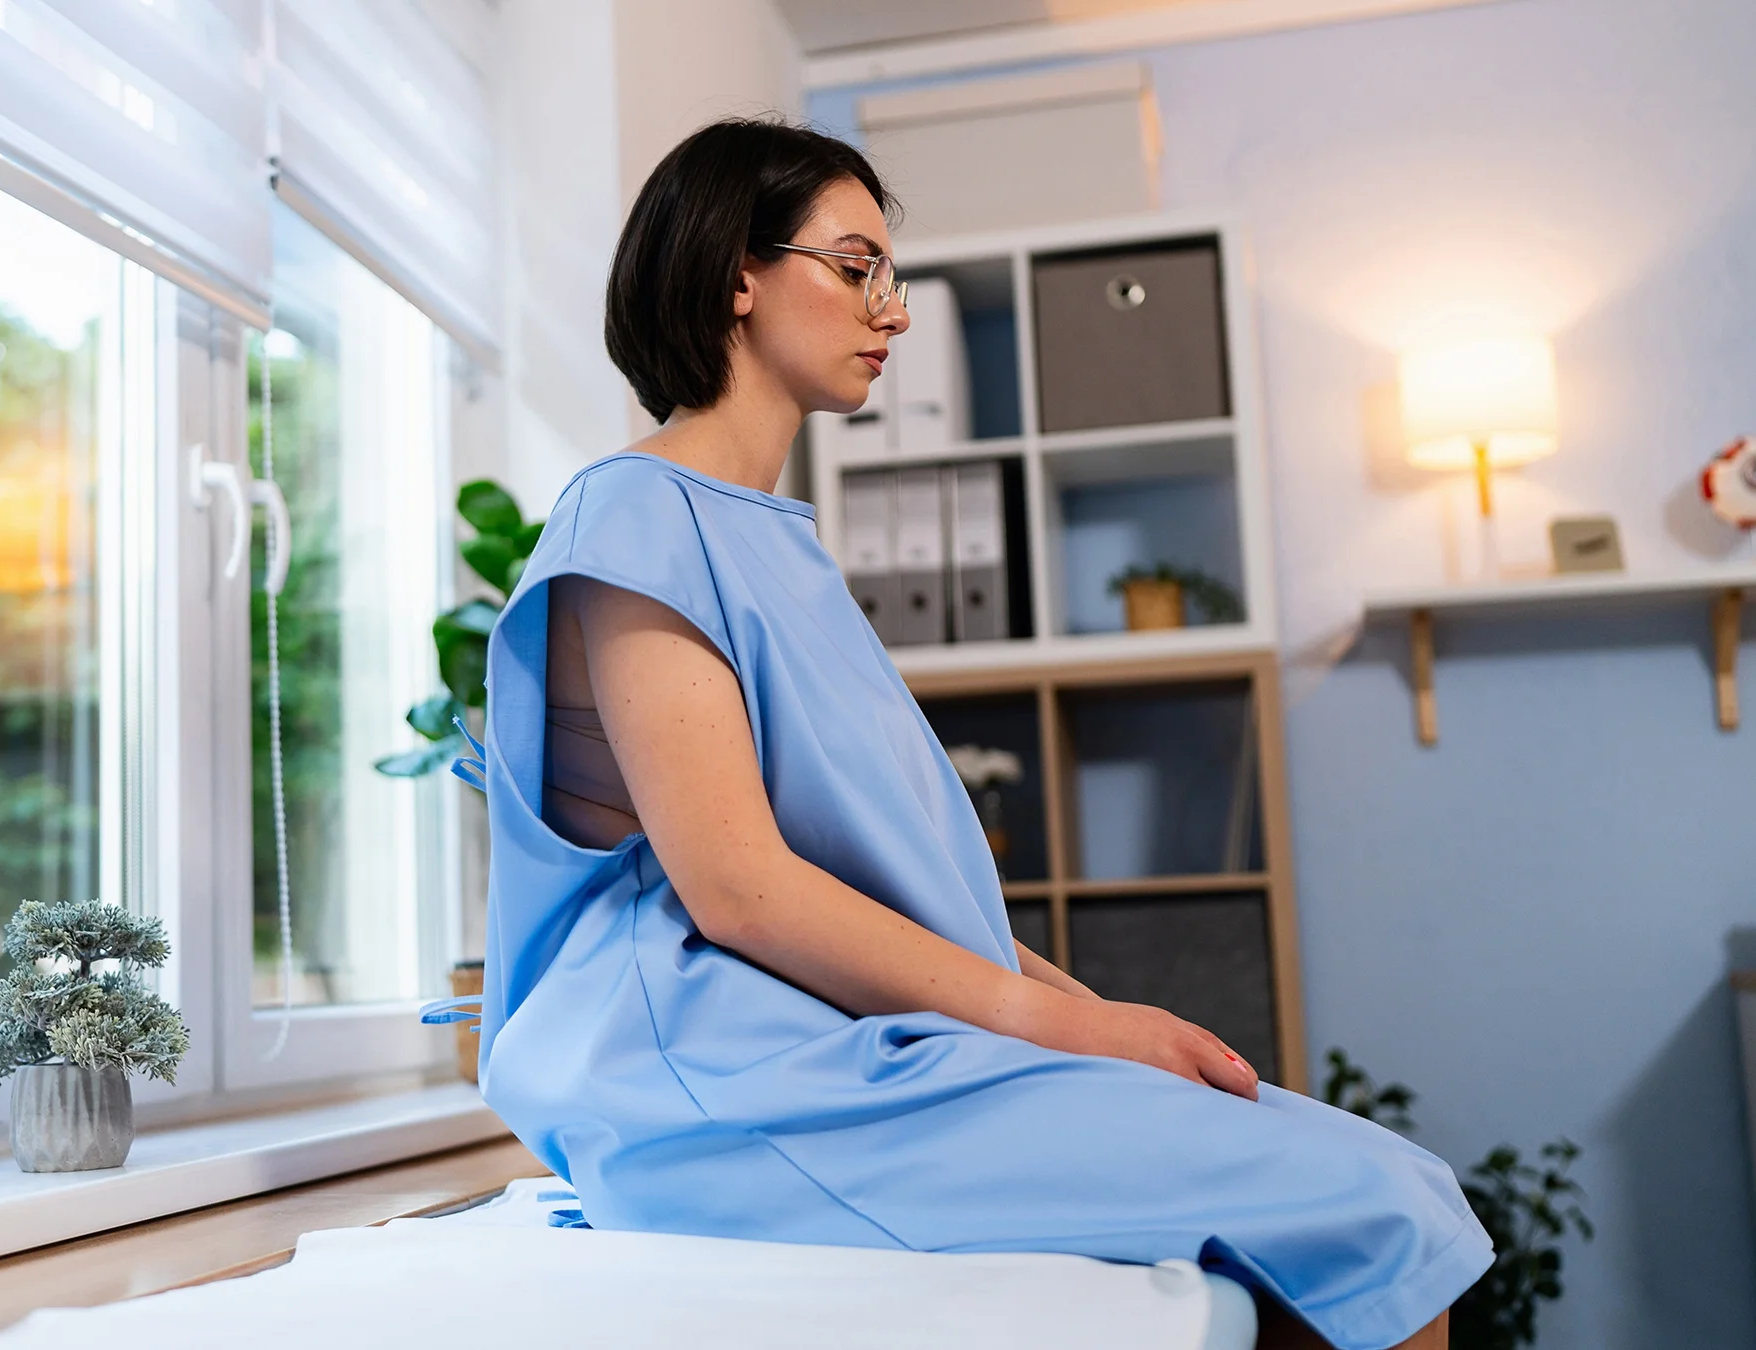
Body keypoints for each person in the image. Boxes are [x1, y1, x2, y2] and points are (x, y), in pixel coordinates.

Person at [465, 119, 1490, 1350]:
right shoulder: (632, 514)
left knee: (1382, 1176)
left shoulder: (772, 541)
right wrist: (1082, 1030)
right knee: (1363, 1204)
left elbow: (911, 895)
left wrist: (1109, 1021)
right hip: (723, 1074)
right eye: (856, 268)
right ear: (738, 272)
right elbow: (739, 892)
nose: (890, 310)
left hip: (831, 1042)